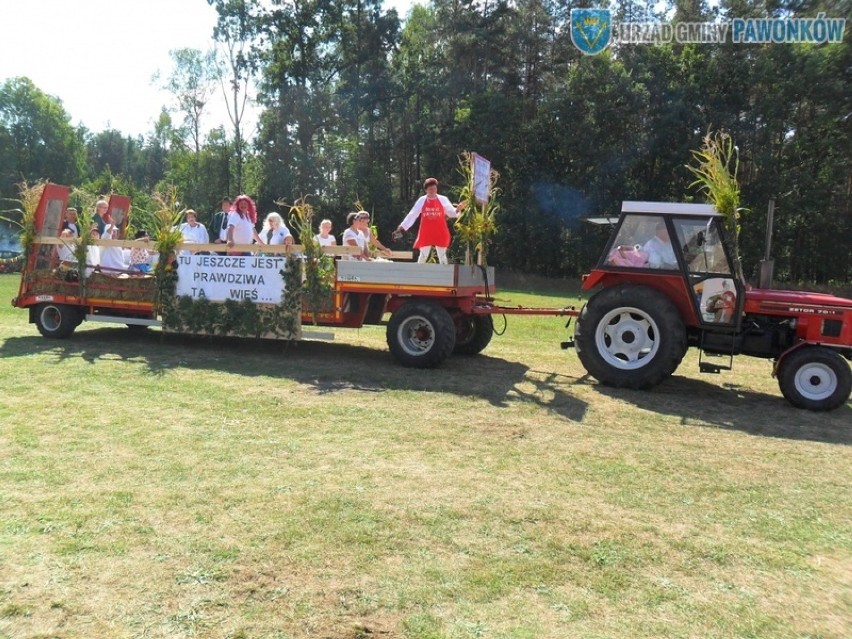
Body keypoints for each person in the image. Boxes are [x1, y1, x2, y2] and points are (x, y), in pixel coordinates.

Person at [395, 177, 467, 264]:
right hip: (426, 232)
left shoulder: (443, 199)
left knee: (442, 256)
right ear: (426, 190)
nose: (433, 190)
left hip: (440, 231)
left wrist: (458, 209)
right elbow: (413, 214)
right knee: (423, 255)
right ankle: (418, 275)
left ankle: (444, 275)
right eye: (430, 189)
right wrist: (402, 226)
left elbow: (452, 212)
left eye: (434, 188)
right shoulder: (422, 200)